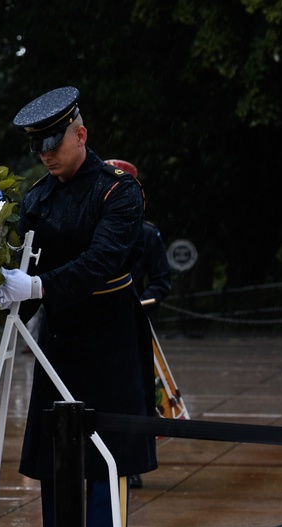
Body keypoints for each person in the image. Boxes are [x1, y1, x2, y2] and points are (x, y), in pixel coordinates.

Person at [0, 87, 157, 527]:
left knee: (105, 464)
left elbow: (104, 263)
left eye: (55, 141)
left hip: (108, 343)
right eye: (38, 144)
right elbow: (18, 250)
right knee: (56, 461)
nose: (46, 151)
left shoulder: (117, 193)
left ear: (80, 134)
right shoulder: (39, 196)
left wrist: (36, 288)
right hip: (58, 344)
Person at [105, 159, 172, 489]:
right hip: (97, 322)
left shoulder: (146, 234)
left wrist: (144, 301)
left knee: (132, 395)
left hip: (133, 323)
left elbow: (161, 281)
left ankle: (130, 461)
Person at [104, 159, 171, 322]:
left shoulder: (147, 233)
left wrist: (140, 304)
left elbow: (161, 280)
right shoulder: (87, 226)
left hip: (134, 317)